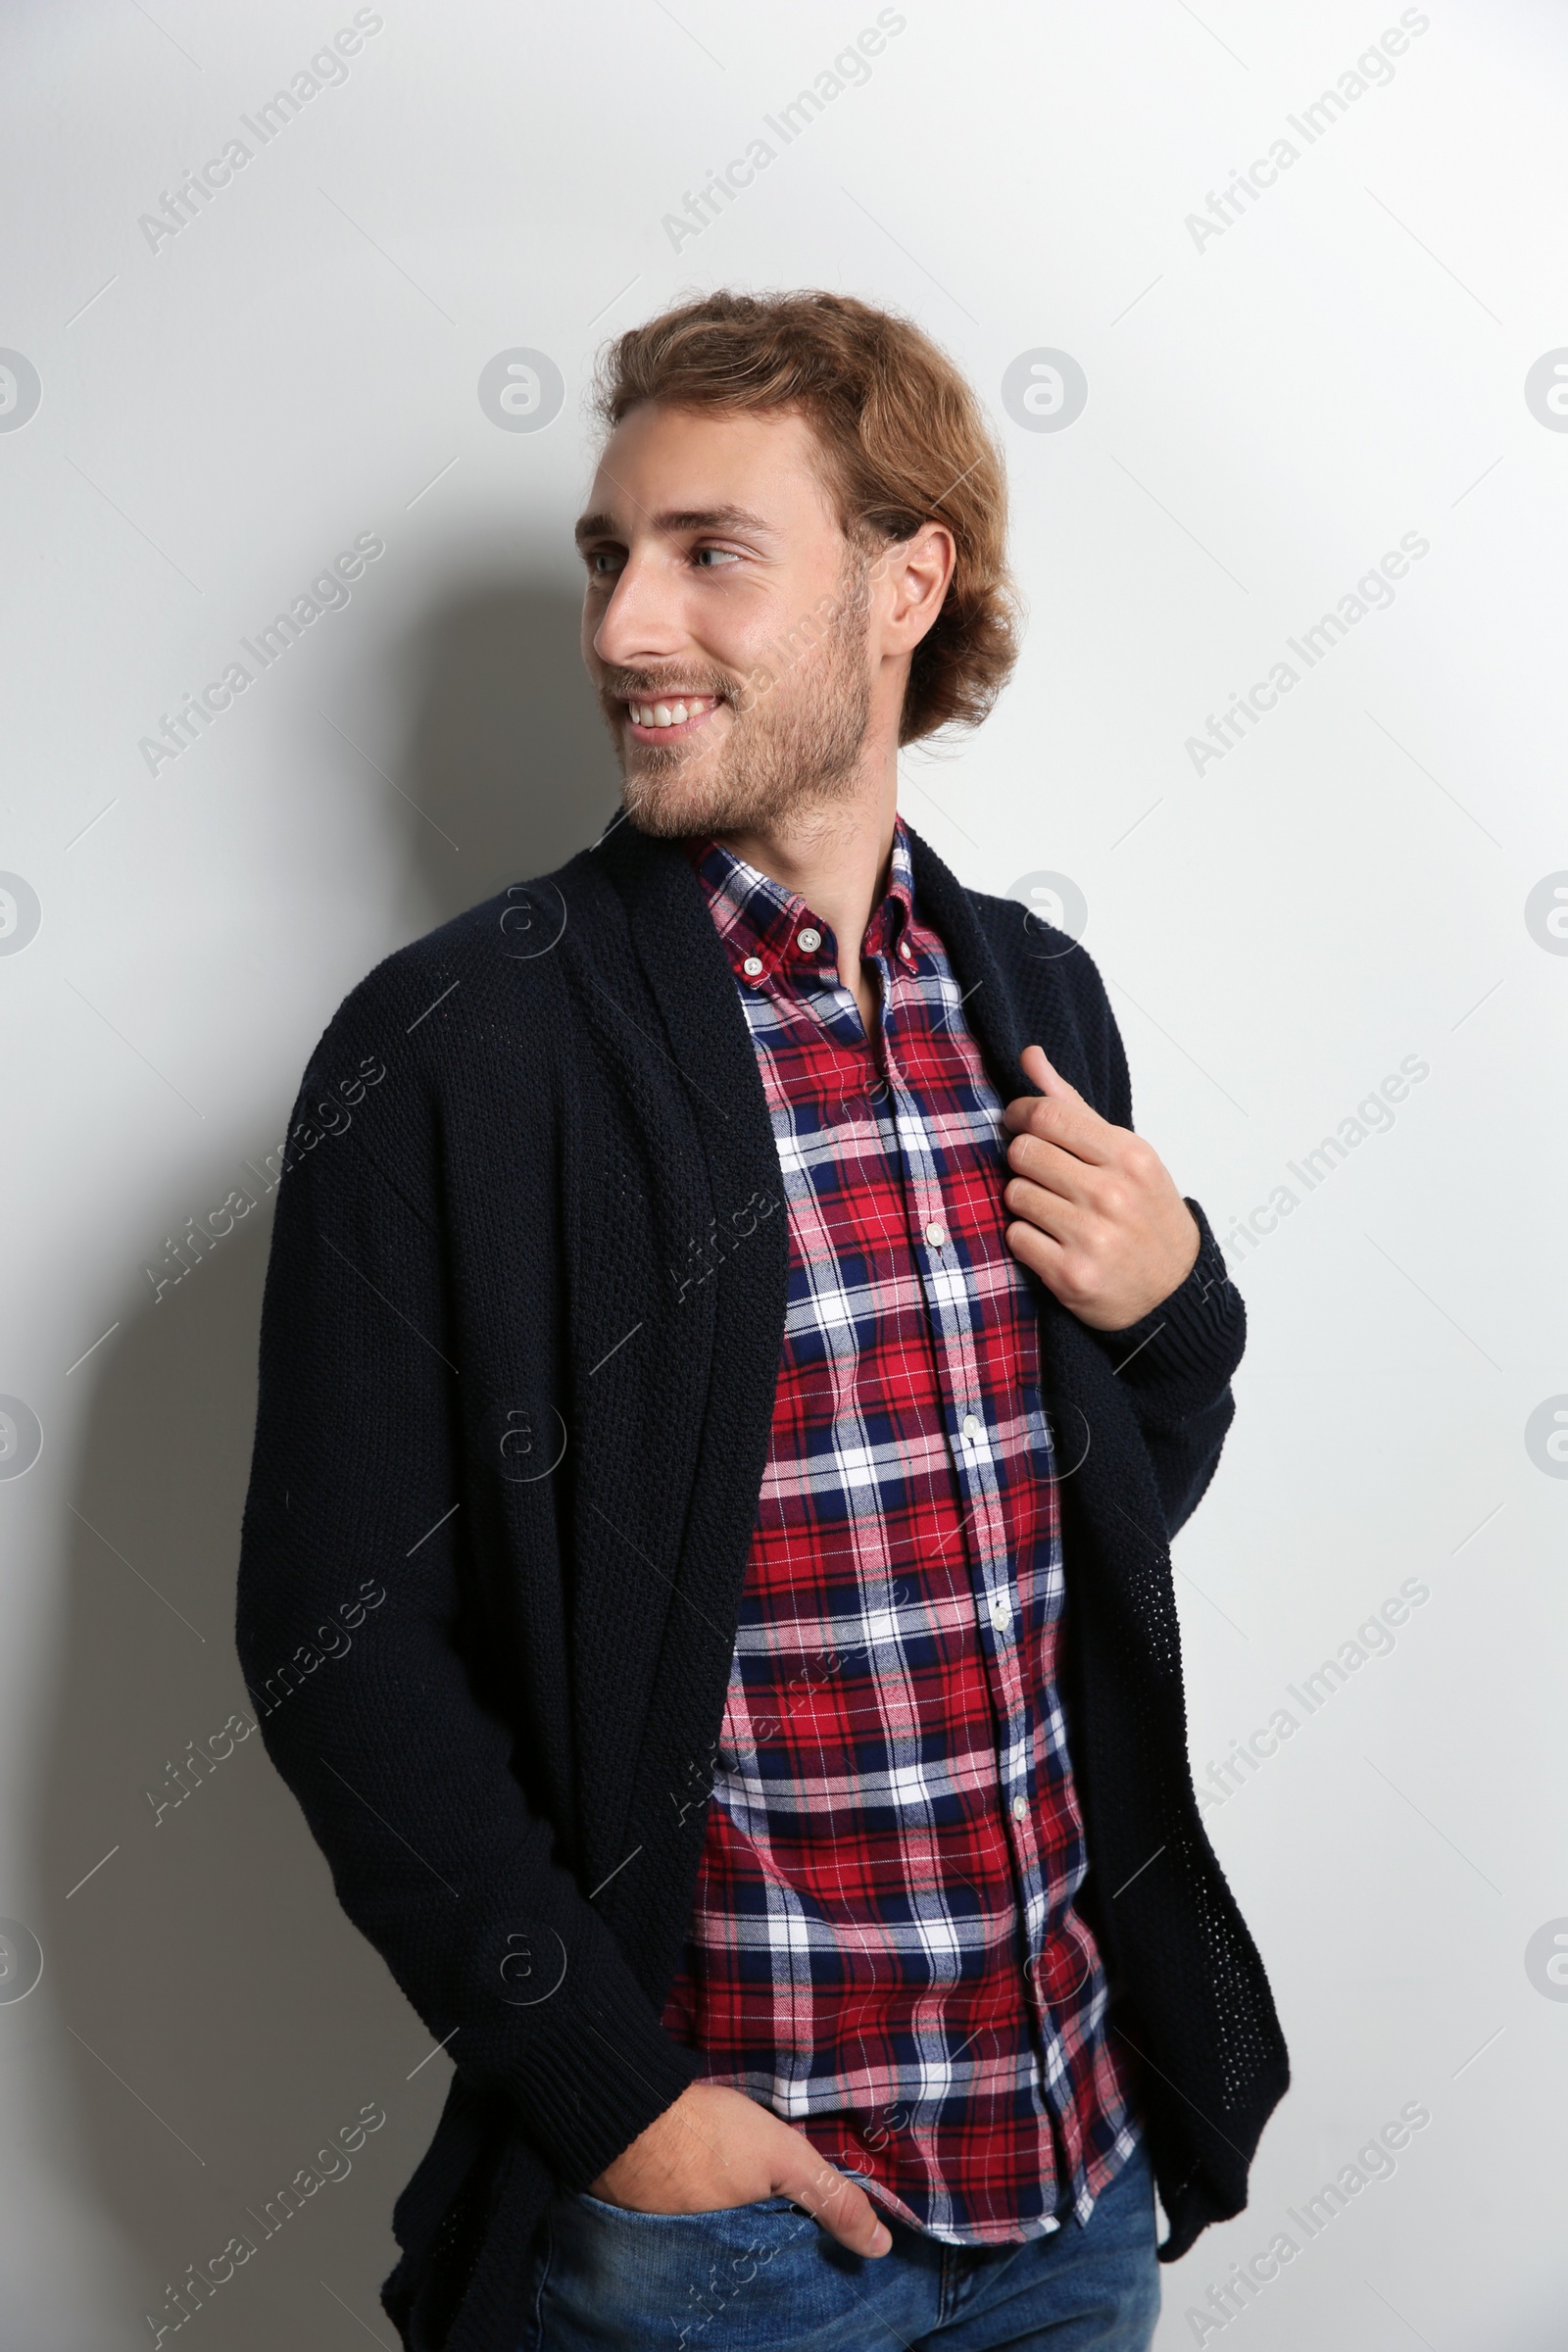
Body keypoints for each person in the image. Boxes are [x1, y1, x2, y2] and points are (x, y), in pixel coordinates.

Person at [235, 289, 1287, 2352]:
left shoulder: (1030, 1002)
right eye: (606, 558)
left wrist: (1178, 1311)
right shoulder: (460, 1045)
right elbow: (332, 1641)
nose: (626, 629)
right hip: (722, 2242)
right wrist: (621, 2107)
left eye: (710, 554)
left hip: (1069, 2178)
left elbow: (1080, 1525)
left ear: (907, 584)